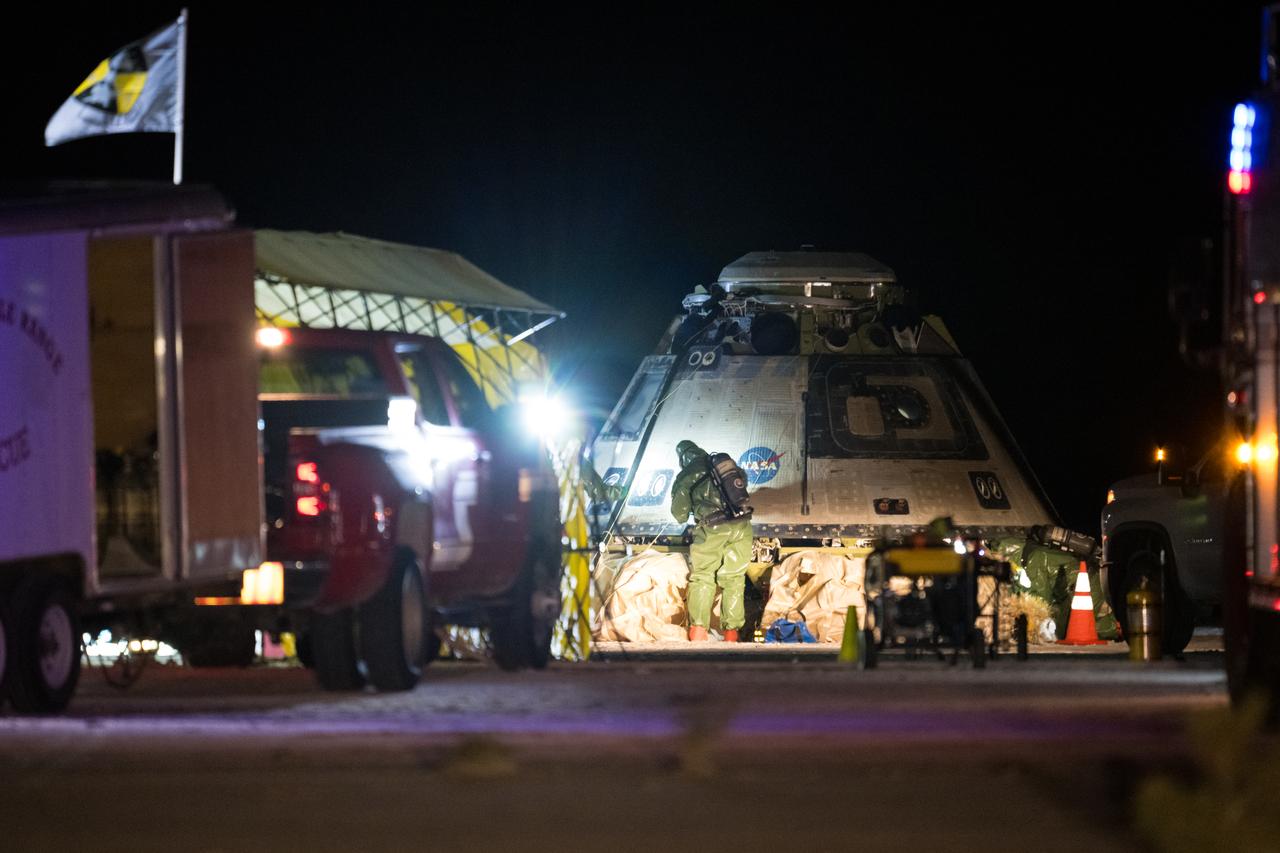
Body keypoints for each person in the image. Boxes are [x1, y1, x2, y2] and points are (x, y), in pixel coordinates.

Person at [670, 440, 752, 642]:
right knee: (734, 578)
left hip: (712, 528)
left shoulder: (688, 474)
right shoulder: (725, 465)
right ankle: (732, 635)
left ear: (683, 457)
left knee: (703, 577)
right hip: (742, 525)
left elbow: (679, 514)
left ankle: (698, 633)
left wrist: (696, 507)